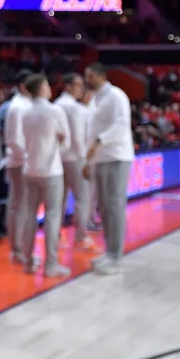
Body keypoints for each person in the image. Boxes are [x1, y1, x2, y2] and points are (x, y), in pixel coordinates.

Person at [83, 64, 135, 276]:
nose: (87, 79)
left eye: (90, 75)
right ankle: (109, 250)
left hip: (116, 156)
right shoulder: (94, 100)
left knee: (114, 206)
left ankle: (116, 255)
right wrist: (89, 160)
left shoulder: (116, 96)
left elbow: (121, 124)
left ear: (101, 76)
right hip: (100, 159)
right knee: (103, 207)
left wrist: (99, 141)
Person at [19, 75, 71, 278]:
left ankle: (28, 261)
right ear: (42, 88)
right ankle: (51, 264)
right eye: (48, 84)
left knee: (29, 215)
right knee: (52, 216)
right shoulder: (55, 110)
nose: (50, 88)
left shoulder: (26, 113)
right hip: (51, 170)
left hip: (30, 168)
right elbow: (66, 142)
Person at [55, 73, 99, 252]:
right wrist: (86, 161)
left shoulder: (56, 105)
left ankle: (56, 237)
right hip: (75, 157)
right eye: (79, 85)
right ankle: (81, 237)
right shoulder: (76, 108)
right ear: (68, 86)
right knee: (82, 198)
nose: (82, 88)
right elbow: (79, 137)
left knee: (60, 199)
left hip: (58, 158)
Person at [1, 70, 32, 262]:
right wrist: (28, 157)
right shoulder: (18, 107)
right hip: (19, 161)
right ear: (22, 85)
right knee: (18, 206)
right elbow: (13, 140)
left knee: (23, 206)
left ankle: (21, 249)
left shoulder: (26, 104)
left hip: (25, 160)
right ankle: (17, 250)